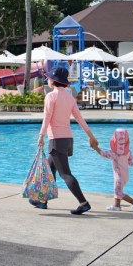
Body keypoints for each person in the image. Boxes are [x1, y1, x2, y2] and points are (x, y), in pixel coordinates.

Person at [34, 67, 100, 214]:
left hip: (56, 140)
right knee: (50, 170)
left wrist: (41, 136)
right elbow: (79, 118)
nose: (48, 80)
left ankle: (83, 203)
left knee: (65, 174)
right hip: (67, 140)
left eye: (49, 78)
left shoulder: (51, 96)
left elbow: (47, 118)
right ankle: (43, 200)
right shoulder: (70, 98)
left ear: (54, 81)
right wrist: (90, 135)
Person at [97, 128, 133, 212]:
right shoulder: (128, 151)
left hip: (119, 175)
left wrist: (95, 148)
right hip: (126, 175)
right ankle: (117, 206)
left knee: (118, 191)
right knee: (118, 190)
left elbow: (103, 154)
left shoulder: (114, 153)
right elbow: (131, 162)